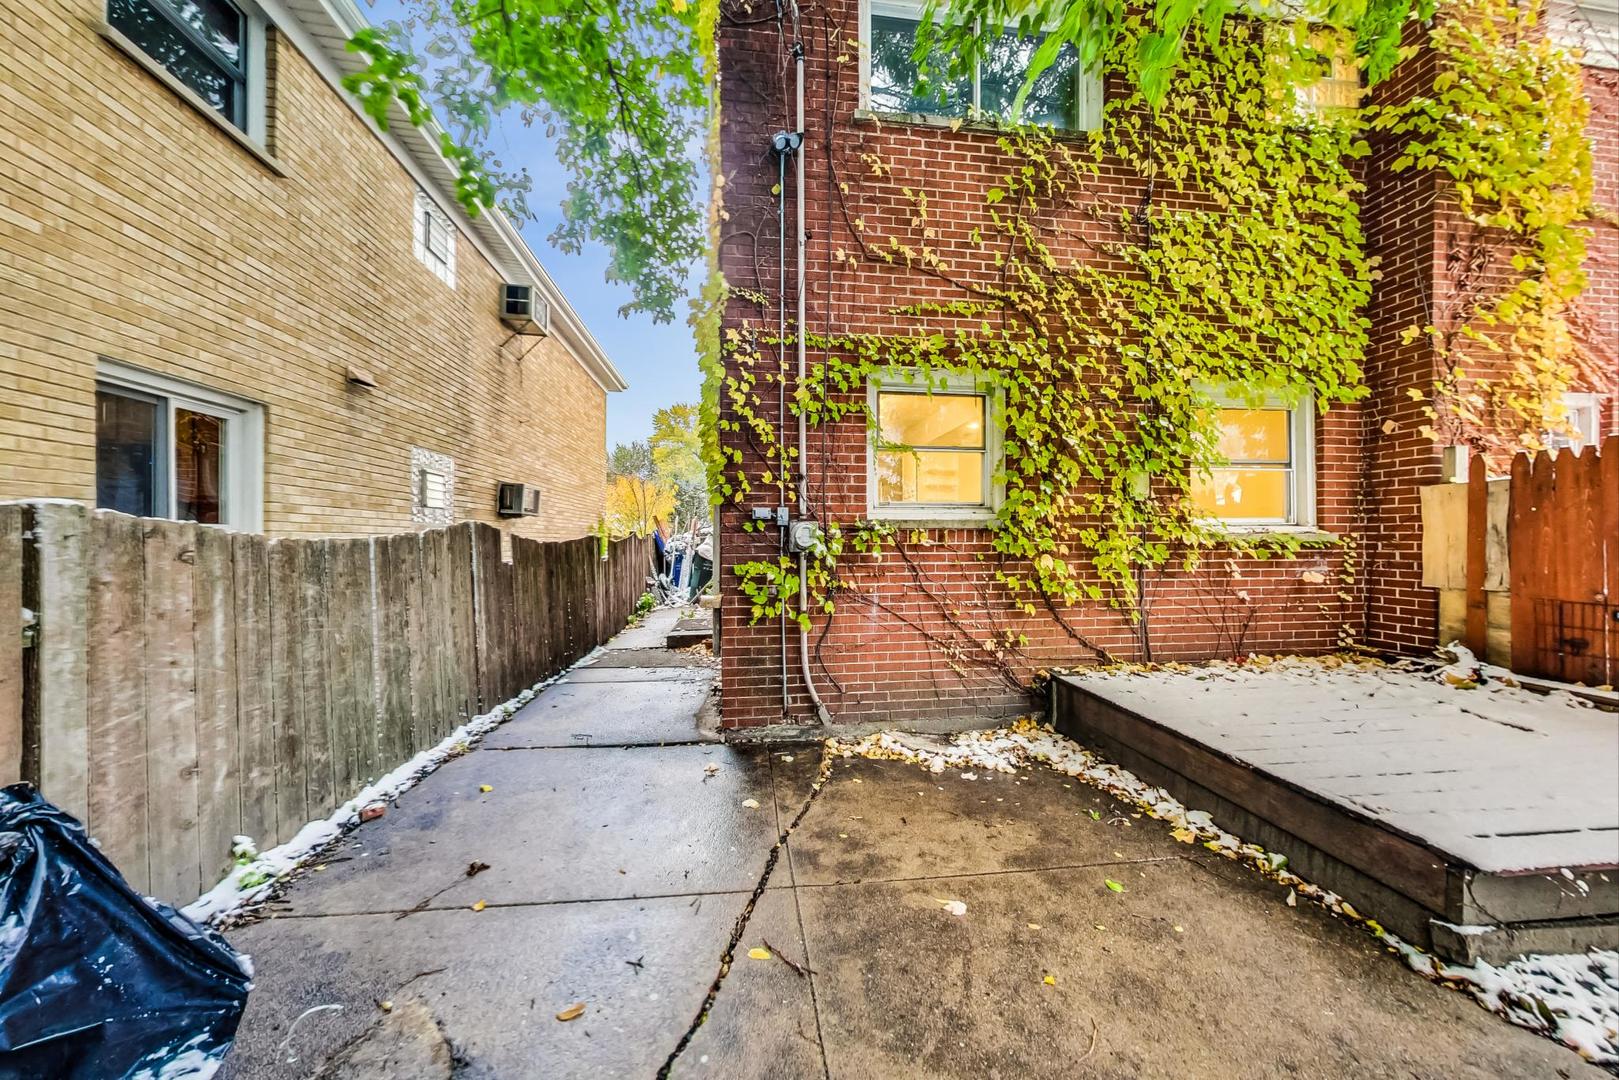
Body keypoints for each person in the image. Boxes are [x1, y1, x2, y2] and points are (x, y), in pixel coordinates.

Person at [690, 531, 714, 598]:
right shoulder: (707, 548)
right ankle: (694, 597)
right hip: (703, 558)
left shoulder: (706, 546)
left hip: (700, 559)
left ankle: (693, 596)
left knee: (697, 577)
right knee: (699, 578)